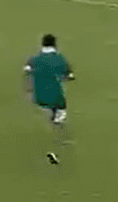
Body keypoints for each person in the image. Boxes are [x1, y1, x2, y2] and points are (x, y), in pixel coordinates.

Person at [24, 34, 74, 165]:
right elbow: (69, 75)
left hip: (38, 96)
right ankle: (59, 143)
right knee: (60, 114)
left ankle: (55, 123)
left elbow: (27, 70)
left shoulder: (35, 59)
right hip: (55, 98)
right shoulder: (59, 59)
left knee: (52, 111)